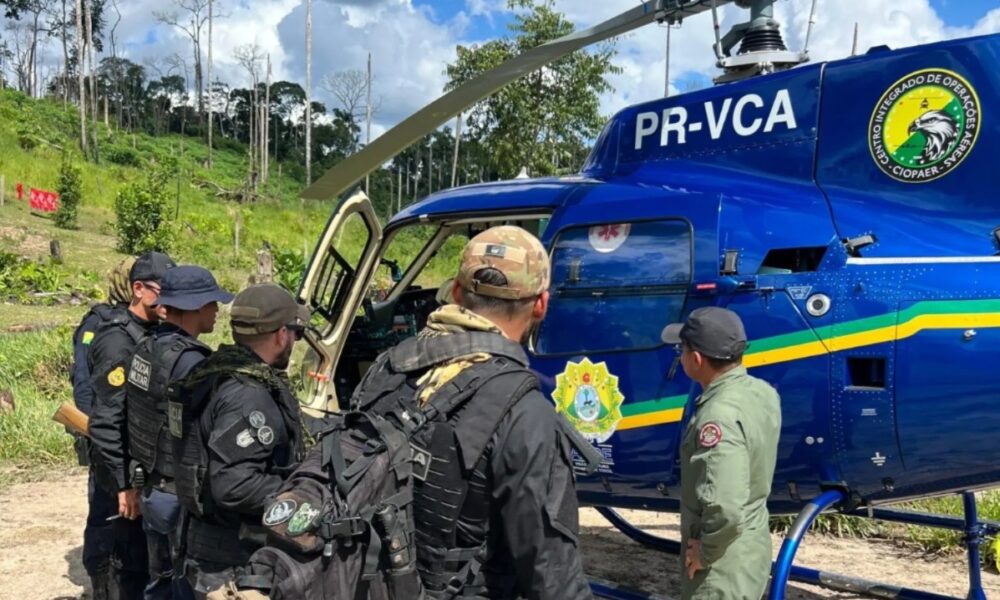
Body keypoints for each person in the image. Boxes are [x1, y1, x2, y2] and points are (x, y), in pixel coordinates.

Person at [351, 225, 593, 599]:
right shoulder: (525, 413)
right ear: (541, 304)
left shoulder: (388, 368)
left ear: (458, 292)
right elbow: (553, 577)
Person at [175, 283, 306, 599]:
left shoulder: (213, 370)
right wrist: (301, 496)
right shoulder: (248, 395)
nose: (294, 340)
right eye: (295, 333)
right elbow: (234, 485)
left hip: (207, 541)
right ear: (280, 335)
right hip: (231, 558)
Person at [126, 266, 234, 600]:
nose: (217, 310)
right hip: (179, 497)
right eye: (212, 303)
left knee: (160, 580)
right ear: (194, 307)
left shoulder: (146, 346)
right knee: (187, 586)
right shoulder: (192, 363)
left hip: (153, 487)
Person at [661, 307, 782, 600]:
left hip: (721, 569)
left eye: (683, 349)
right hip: (749, 551)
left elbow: (725, 506)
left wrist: (706, 552)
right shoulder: (761, 392)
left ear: (697, 359)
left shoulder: (718, 416)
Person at [89, 250, 177, 599]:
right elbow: (107, 422)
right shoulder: (117, 340)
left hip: (147, 472)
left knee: (154, 563)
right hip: (124, 476)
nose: (168, 299)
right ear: (138, 289)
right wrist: (124, 484)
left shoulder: (155, 333)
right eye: (161, 290)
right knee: (130, 565)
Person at [70, 256, 135, 600]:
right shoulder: (98, 325)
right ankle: (100, 583)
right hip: (102, 433)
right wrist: (99, 432)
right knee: (104, 510)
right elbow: (83, 386)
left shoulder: (141, 323)